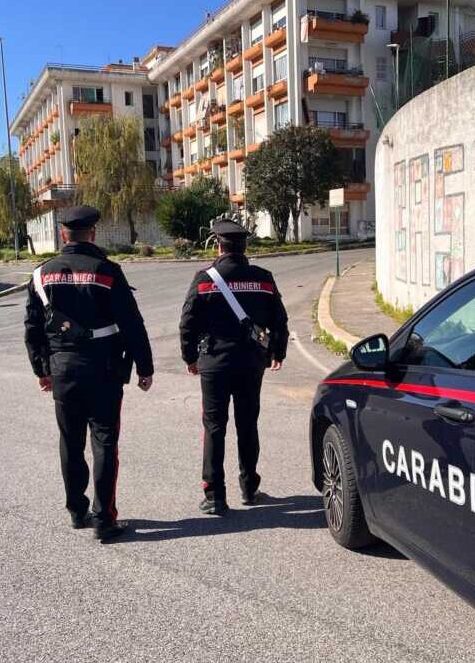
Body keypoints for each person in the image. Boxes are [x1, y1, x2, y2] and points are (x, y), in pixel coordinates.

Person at [24, 205, 154, 543]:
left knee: (70, 441)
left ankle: (76, 511)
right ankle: (104, 519)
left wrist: (42, 369)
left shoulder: (41, 274)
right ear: (92, 233)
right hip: (104, 369)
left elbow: (33, 328)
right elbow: (131, 323)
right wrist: (145, 366)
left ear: (63, 234)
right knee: (105, 442)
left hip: (62, 370)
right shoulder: (107, 271)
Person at [179, 219, 289, 515]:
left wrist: (189, 357)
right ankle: (249, 488)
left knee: (214, 427)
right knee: (247, 424)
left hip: (214, 362)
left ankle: (215, 496)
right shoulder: (263, 278)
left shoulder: (204, 279)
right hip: (252, 361)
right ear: (245, 247)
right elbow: (279, 319)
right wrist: (278, 351)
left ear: (218, 245)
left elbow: (188, 321)